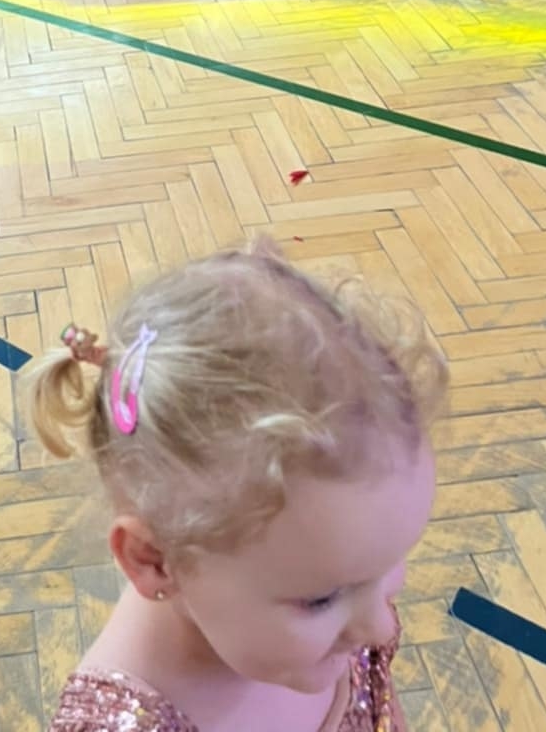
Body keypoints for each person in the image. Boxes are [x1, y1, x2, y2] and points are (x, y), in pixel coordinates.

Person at [34, 240, 447, 732]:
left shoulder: (339, 581)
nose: (381, 625)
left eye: (390, 564)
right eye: (322, 599)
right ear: (155, 560)